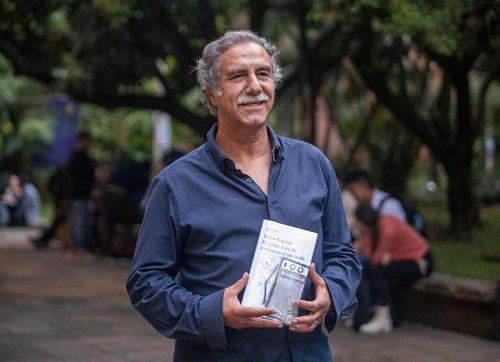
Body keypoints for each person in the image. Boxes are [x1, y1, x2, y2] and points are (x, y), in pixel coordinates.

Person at [126, 30, 361, 361]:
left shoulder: (313, 165)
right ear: (212, 93)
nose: (255, 86)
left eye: (263, 74)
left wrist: (332, 295)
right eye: (238, 76)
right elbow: (145, 282)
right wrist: (211, 311)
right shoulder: (175, 184)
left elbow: (342, 254)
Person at [353, 202, 433, 334]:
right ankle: (366, 313)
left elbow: (375, 259)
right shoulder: (374, 227)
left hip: (420, 261)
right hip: (401, 259)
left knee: (378, 270)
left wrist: (365, 241)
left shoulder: (387, 229)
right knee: (370, 268)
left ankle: (383, 316)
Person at [66, 130, 95, 255]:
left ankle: (75, 244)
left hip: (74, 193)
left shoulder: (73, 156)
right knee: (80, 221)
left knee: (75, 220)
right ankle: (79, 245)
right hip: (81, 193)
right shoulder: (81, 156)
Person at [32, 165, 70, 248]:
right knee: (58, 221)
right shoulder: (65, 172)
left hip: (63, 200)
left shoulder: (64, 171)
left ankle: (44, 239)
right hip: (63, 199)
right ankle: (44, 239)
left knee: (58, 221)